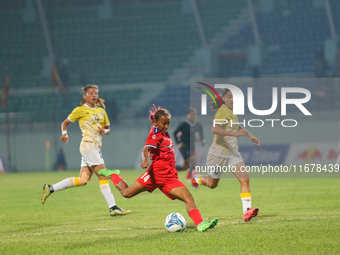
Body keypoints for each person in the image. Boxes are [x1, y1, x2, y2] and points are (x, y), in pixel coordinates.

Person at [98, 105, 218, 231]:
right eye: (163, 123)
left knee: (188, 196)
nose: (166, 126)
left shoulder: (164, 133)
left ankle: (200, 224)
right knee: (126, 193)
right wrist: (145, 160)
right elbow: (146, 148)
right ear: (155, 122)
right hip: (155, 175)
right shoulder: (155, 134)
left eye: (168, 123)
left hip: (169, 177)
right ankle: (113, 174)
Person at [41, 84, 130, 217]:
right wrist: (64, 133)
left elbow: (108, 129)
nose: (94, 95)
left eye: (96, 93)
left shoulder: (101, 112)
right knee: (103, 175)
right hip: (88, 146)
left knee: (83, 180)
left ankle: (50, 188)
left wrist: (103, 131)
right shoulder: (80, 110)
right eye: (91, 93)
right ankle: (113, 207)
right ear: (84, 96)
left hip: (95, 147)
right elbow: (64, 123)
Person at [192, 88, 260, 222]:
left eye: (234, 97)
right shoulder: (222, 111)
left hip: (232, 153)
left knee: (245, 179)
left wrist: (249, 135)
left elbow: (236, 127)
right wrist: (236, 134)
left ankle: (247, 212)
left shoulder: (232, 113)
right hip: (218, 154)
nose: (232, 100)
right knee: (212, 184)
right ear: (223, 98)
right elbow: (215, 129)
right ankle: (196, 178)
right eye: (229, 97)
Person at [173, 107, 204, 181]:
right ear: (188, 115)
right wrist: (178, 143)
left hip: (191, 146)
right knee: (193, 162)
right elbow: (175, 133)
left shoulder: (197, 125)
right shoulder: (183, 124)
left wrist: (202, 140)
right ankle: (194, 181)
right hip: (184, 146)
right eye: (192, 114)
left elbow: (201, 134)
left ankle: (168, 169)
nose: (193, 116)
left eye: (195, 114)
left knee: (185, 166)